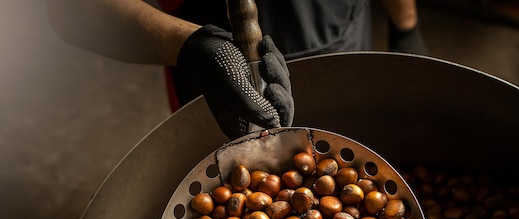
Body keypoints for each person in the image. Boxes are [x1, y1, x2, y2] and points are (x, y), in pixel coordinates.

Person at [47, 0, 426, 140]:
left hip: (335, 28)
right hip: (212, 65)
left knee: (349, 144)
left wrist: (405, 26)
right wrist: (188, 45)